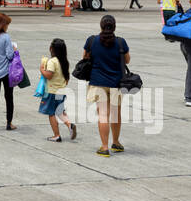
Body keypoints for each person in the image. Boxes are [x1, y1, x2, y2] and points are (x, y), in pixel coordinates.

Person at [81, 14, 130, 157]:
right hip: (116, 83)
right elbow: (127, 60)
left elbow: (85, 56)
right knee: (116, 115)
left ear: (101, 26)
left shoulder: (92, 41)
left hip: (98, 82)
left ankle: (104, 147)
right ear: (114, 27)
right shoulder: (121, 42)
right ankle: (116, 142)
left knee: (103, 115)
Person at [39, 38, 76, 140]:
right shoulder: (64, 62)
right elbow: (67, 78)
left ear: (51, 49)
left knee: (51, 113)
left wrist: (42, 69)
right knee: (60, 112)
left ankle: (57, 135)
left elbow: (49, 75)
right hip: (62, 91)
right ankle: (69, 125)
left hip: (51, 92)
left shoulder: (52, 61)